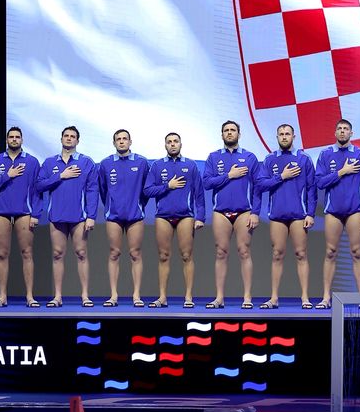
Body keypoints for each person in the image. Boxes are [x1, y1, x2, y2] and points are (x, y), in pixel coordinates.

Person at [314, 119, 360, 309]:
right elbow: (320, 183)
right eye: (339, 128)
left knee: (357, 252)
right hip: (333, 211)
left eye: (346, 129)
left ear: (351, 133)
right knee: (330, 252)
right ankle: (326, 298)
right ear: (335, 133)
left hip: (355, 210)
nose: (342, 131)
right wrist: (341, 172)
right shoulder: (325, 154)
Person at [36, 126, 99, 307]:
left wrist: (91, 216)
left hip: (79, 217)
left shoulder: (86, 162)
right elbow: (39, 186)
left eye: (72, 136)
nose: (69, 138)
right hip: (57, 216)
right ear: (61, 138)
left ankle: (85, 296)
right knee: (57, 254)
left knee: (81, 253)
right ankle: (57, 297)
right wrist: (60, 176)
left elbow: (92, 190)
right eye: (66, 136)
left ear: (77, 141)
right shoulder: (49, 162)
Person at [257, 124, 317, 309]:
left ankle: (305, 298)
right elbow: (261, 185)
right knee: (277, 254)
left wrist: (310, 213)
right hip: (277, 215)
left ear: (293, 136)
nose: (284, 137)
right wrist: (281, 176)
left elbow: (312, 189)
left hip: (299, 215)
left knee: (301, 254)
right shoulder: (269, 159)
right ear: (277, 137)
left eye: (287, 134)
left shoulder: (304, 159)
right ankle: (274, 298)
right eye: (281, 134)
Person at [202, 121, 261, 309]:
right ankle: (219, 298)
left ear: (239, 134)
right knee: (221, 252)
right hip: (221, 212)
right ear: (222, 135)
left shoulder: (249, 157)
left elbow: (258, 188)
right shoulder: (213, 157)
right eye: (226, 130)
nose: (229, 133)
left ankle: (247, 297)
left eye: (232, 130)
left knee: (244, 251)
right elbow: (207, 183)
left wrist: (255, 212)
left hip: (244, 211)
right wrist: (229, 175)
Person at [143, 132, 205, 308]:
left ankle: (188, 297)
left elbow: (199, 194)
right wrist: (167, 186)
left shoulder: (190, 165)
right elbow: (147, 190)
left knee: (186, 256)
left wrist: (200, 217)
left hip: (185, 216)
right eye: (169, 142)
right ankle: (162, 297)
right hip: (163, 216)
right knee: (163, 256)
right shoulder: (157, 165)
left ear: (180, 144)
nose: (172, 144)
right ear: (165, 145)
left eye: (175, 141)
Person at [0, 127, 42, 307]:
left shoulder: (32, 161)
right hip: (1, 212)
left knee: (27, 253)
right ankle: (2, 297)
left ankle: (30, 296)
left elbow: (37, 190)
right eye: (11, 137)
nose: (14, 139)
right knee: (2, 254)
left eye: (17, 137)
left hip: (24, 212)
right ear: (7, 139)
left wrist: (36, 214)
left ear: (22, 140)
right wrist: (7, 176)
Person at [98, 129, 150, 307]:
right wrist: (112, 204)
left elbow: (146, 189)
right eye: (118, 139)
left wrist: (138, 204)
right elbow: (103, 190)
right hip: (114, 215)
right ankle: (113, 295)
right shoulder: (105, 164)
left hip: (135, 215)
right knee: (114, 253)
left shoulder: (141, 162)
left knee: (135, 253)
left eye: (124, 138)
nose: (121, 141)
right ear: (114, 143)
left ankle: (136, 295)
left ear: (130, 141)